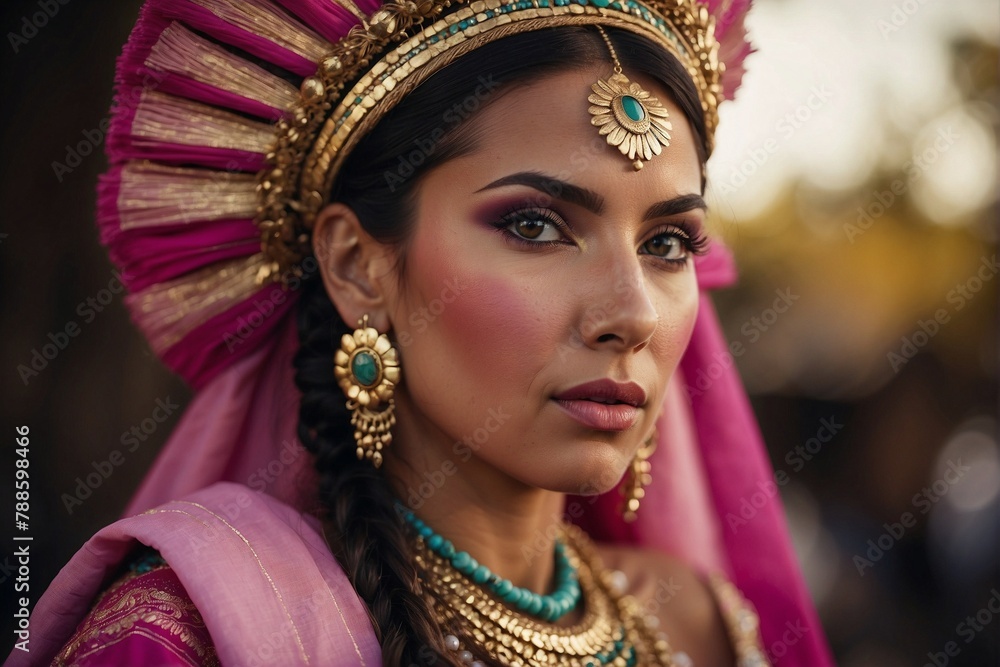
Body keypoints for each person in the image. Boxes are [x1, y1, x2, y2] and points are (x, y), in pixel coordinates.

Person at [8, 0, 835, 664]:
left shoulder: (693, 627)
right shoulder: (189, 636)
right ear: (359, 264)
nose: (633, 314)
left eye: (667, 243)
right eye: (537, 227)